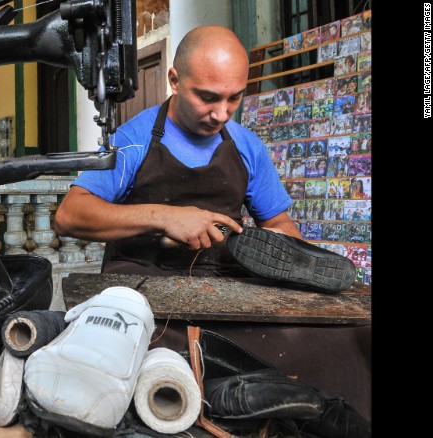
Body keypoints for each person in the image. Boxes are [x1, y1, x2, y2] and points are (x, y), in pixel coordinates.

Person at [55, 25, 371, 424]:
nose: (221, 113)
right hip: (147, 287)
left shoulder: (247, 146)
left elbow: (282, 225)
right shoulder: (132, 139)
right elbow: (70, 214)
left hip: (227, 288)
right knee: (141, 354)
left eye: (234, 98)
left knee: (344, 341)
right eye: (207, 97)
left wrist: (275, 242)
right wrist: (164, 217)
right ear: (174, 79)